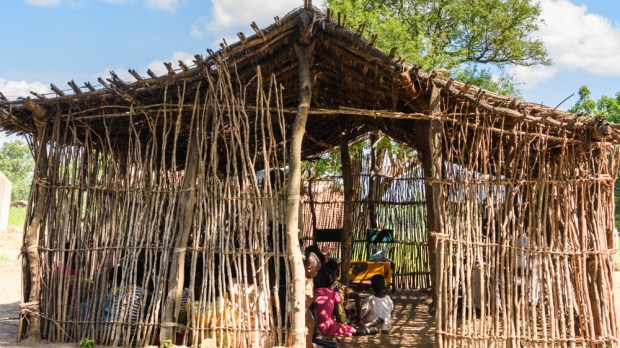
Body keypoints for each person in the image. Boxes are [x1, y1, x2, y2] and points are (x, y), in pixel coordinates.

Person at [312, 267, 356, 337]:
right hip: (328, 327)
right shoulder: (333, 293)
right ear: (332, 281)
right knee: (352, 330)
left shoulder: (311, 293)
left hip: (311, 328)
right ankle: (373, 329)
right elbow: (338, 313)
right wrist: (342, 324)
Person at [323, 260, 362, 325]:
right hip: (339, 320)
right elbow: (357, 297)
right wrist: (359, 320)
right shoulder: (341, 287)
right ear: (338, 273)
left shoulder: (318, 286)